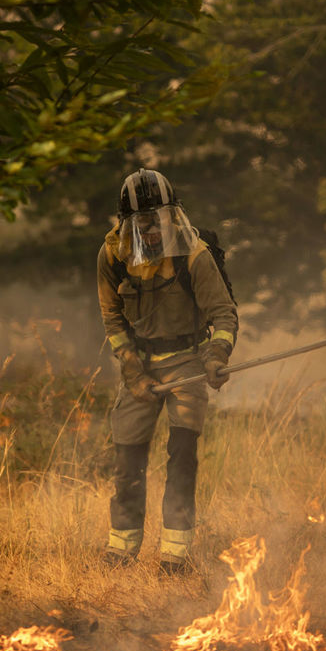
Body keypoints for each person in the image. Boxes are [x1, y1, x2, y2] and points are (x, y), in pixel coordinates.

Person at [96, 168, 238, 574]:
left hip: (187, 362)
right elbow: (112, 320)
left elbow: (224, 315)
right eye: (143, 223)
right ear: (127, 224)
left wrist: (216, 357)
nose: (153, 231)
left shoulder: (194, 255)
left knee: (181, 457)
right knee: (128, 461)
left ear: (173, 215)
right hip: (140, 365)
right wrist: (132, 371)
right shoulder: (112, 256)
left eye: (159, 220)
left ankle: (174, 558)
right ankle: (121, 552)